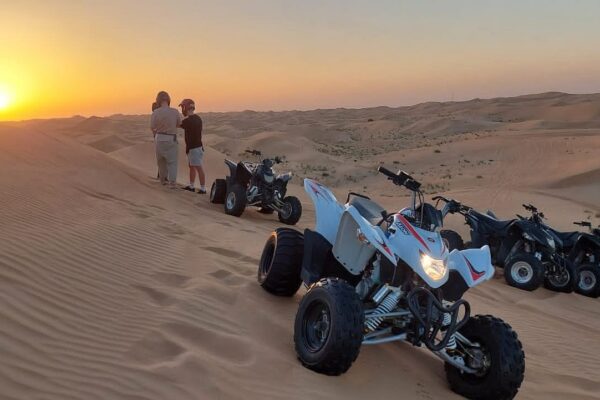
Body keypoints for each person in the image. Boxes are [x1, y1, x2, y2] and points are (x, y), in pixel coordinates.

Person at [151, 91, 181, 187]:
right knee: (172, 162)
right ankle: (172, 183)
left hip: (159, 138)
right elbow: (179, 124)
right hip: (171, 138)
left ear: (158, 100)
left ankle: (163, 181)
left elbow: (152, 126)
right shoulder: (175, 111)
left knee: (161, 162)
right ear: (168, 100)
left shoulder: (155, 112)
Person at [179, 98, 206, 193]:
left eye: (182, 107)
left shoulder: (188, 121)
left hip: (194, 148)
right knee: (192, 166)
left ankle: (203, 188)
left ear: (186, 107)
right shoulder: (198, 119)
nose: (182, 109)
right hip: (196, 147)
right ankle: (191, 186)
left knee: (198, 167)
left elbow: (177, 124)